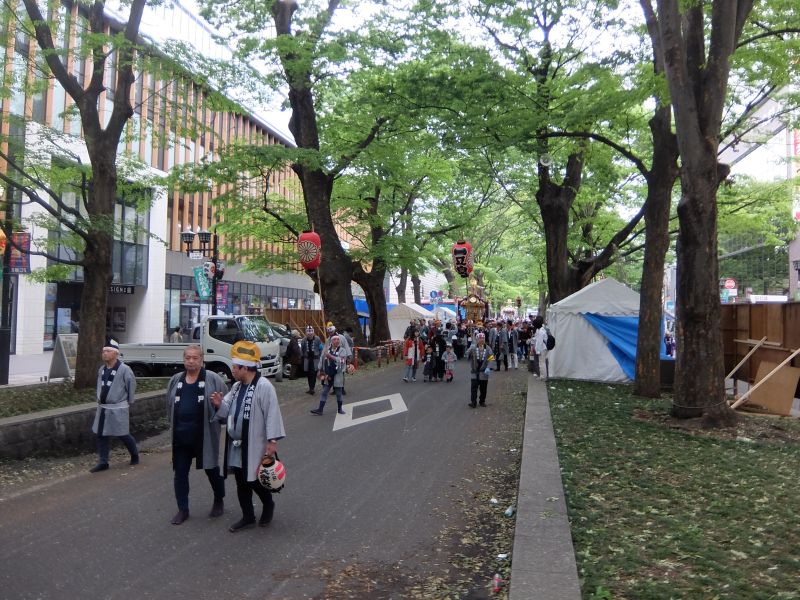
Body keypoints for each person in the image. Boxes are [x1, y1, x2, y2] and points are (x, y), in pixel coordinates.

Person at [210, 340, 286, 533]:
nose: (232, 370)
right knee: (241, 481)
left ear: (245, 368)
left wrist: (272, 441)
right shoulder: (236, 387)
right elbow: (227, 408)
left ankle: (268, 505)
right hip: (236, 445)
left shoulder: (264, 386)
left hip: (255, 443)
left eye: (235, 367)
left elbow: (272, 413)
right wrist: (219, 404)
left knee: (255, 480)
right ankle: (248, 516)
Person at [165, 345, 228, 525]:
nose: (191, 361)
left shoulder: (213, 379)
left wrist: (218, 407)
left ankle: (219, 498)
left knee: (211, 469)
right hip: (181, 436)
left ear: (202, 360)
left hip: (204, 435)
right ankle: (182, 509)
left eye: (195, 358)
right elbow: (168, 405)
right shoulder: (176, 380)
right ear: (183, 359)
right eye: (188, 358)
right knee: (180, 473)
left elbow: (227, 403)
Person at [89, 338, 139, 472]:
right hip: (103, 407)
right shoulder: (102, 369)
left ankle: (134, 454)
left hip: (118, 407)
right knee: (101, 434)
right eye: (103, 351)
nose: (104, 354)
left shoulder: (125, 369)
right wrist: (99, 398)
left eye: (108, 351)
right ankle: (103, 462)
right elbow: (99, 386)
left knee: (123, 433)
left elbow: (131, 385)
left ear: (116, 353)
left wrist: (129, 401)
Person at [310, 335, 347, 415]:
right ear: (331, 341)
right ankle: (320, 409)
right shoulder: (327, 350)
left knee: (338, 393)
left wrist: (331, 356)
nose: (337, 341)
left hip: (337, 375)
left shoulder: (342, 350)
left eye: (338, 339)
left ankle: (340, 409)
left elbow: (342, 361)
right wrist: (319, 370)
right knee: (324, 392)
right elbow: (322, 360)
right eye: (335, 339)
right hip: (328, 375)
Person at [466, 332, 495, 408]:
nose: (481, 340)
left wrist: (488, 367)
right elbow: (467, 355)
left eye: (483, 338)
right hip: (474, 371)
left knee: (483, 388)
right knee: (474, 387)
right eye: (480, 338)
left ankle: (482, 401)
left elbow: (491, 358)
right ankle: (473, 402)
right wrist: (470, 349)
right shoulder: (473, 347)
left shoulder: (488, 348)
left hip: (484, 372)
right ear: (477, 339)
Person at [300, 326, 323, 394]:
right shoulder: (304, 340)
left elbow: (321, 348)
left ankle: (312, 388)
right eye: (308, 332)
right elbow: (302, 349)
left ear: (313, 332)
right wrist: (302, 357)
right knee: (309, 374)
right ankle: (310, 388)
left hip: (315, 360)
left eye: (311, 332)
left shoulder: (317, 339)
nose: (309, 334)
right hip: (307, 359)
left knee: (313, 374)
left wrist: (321, 356)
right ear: (306, 333)